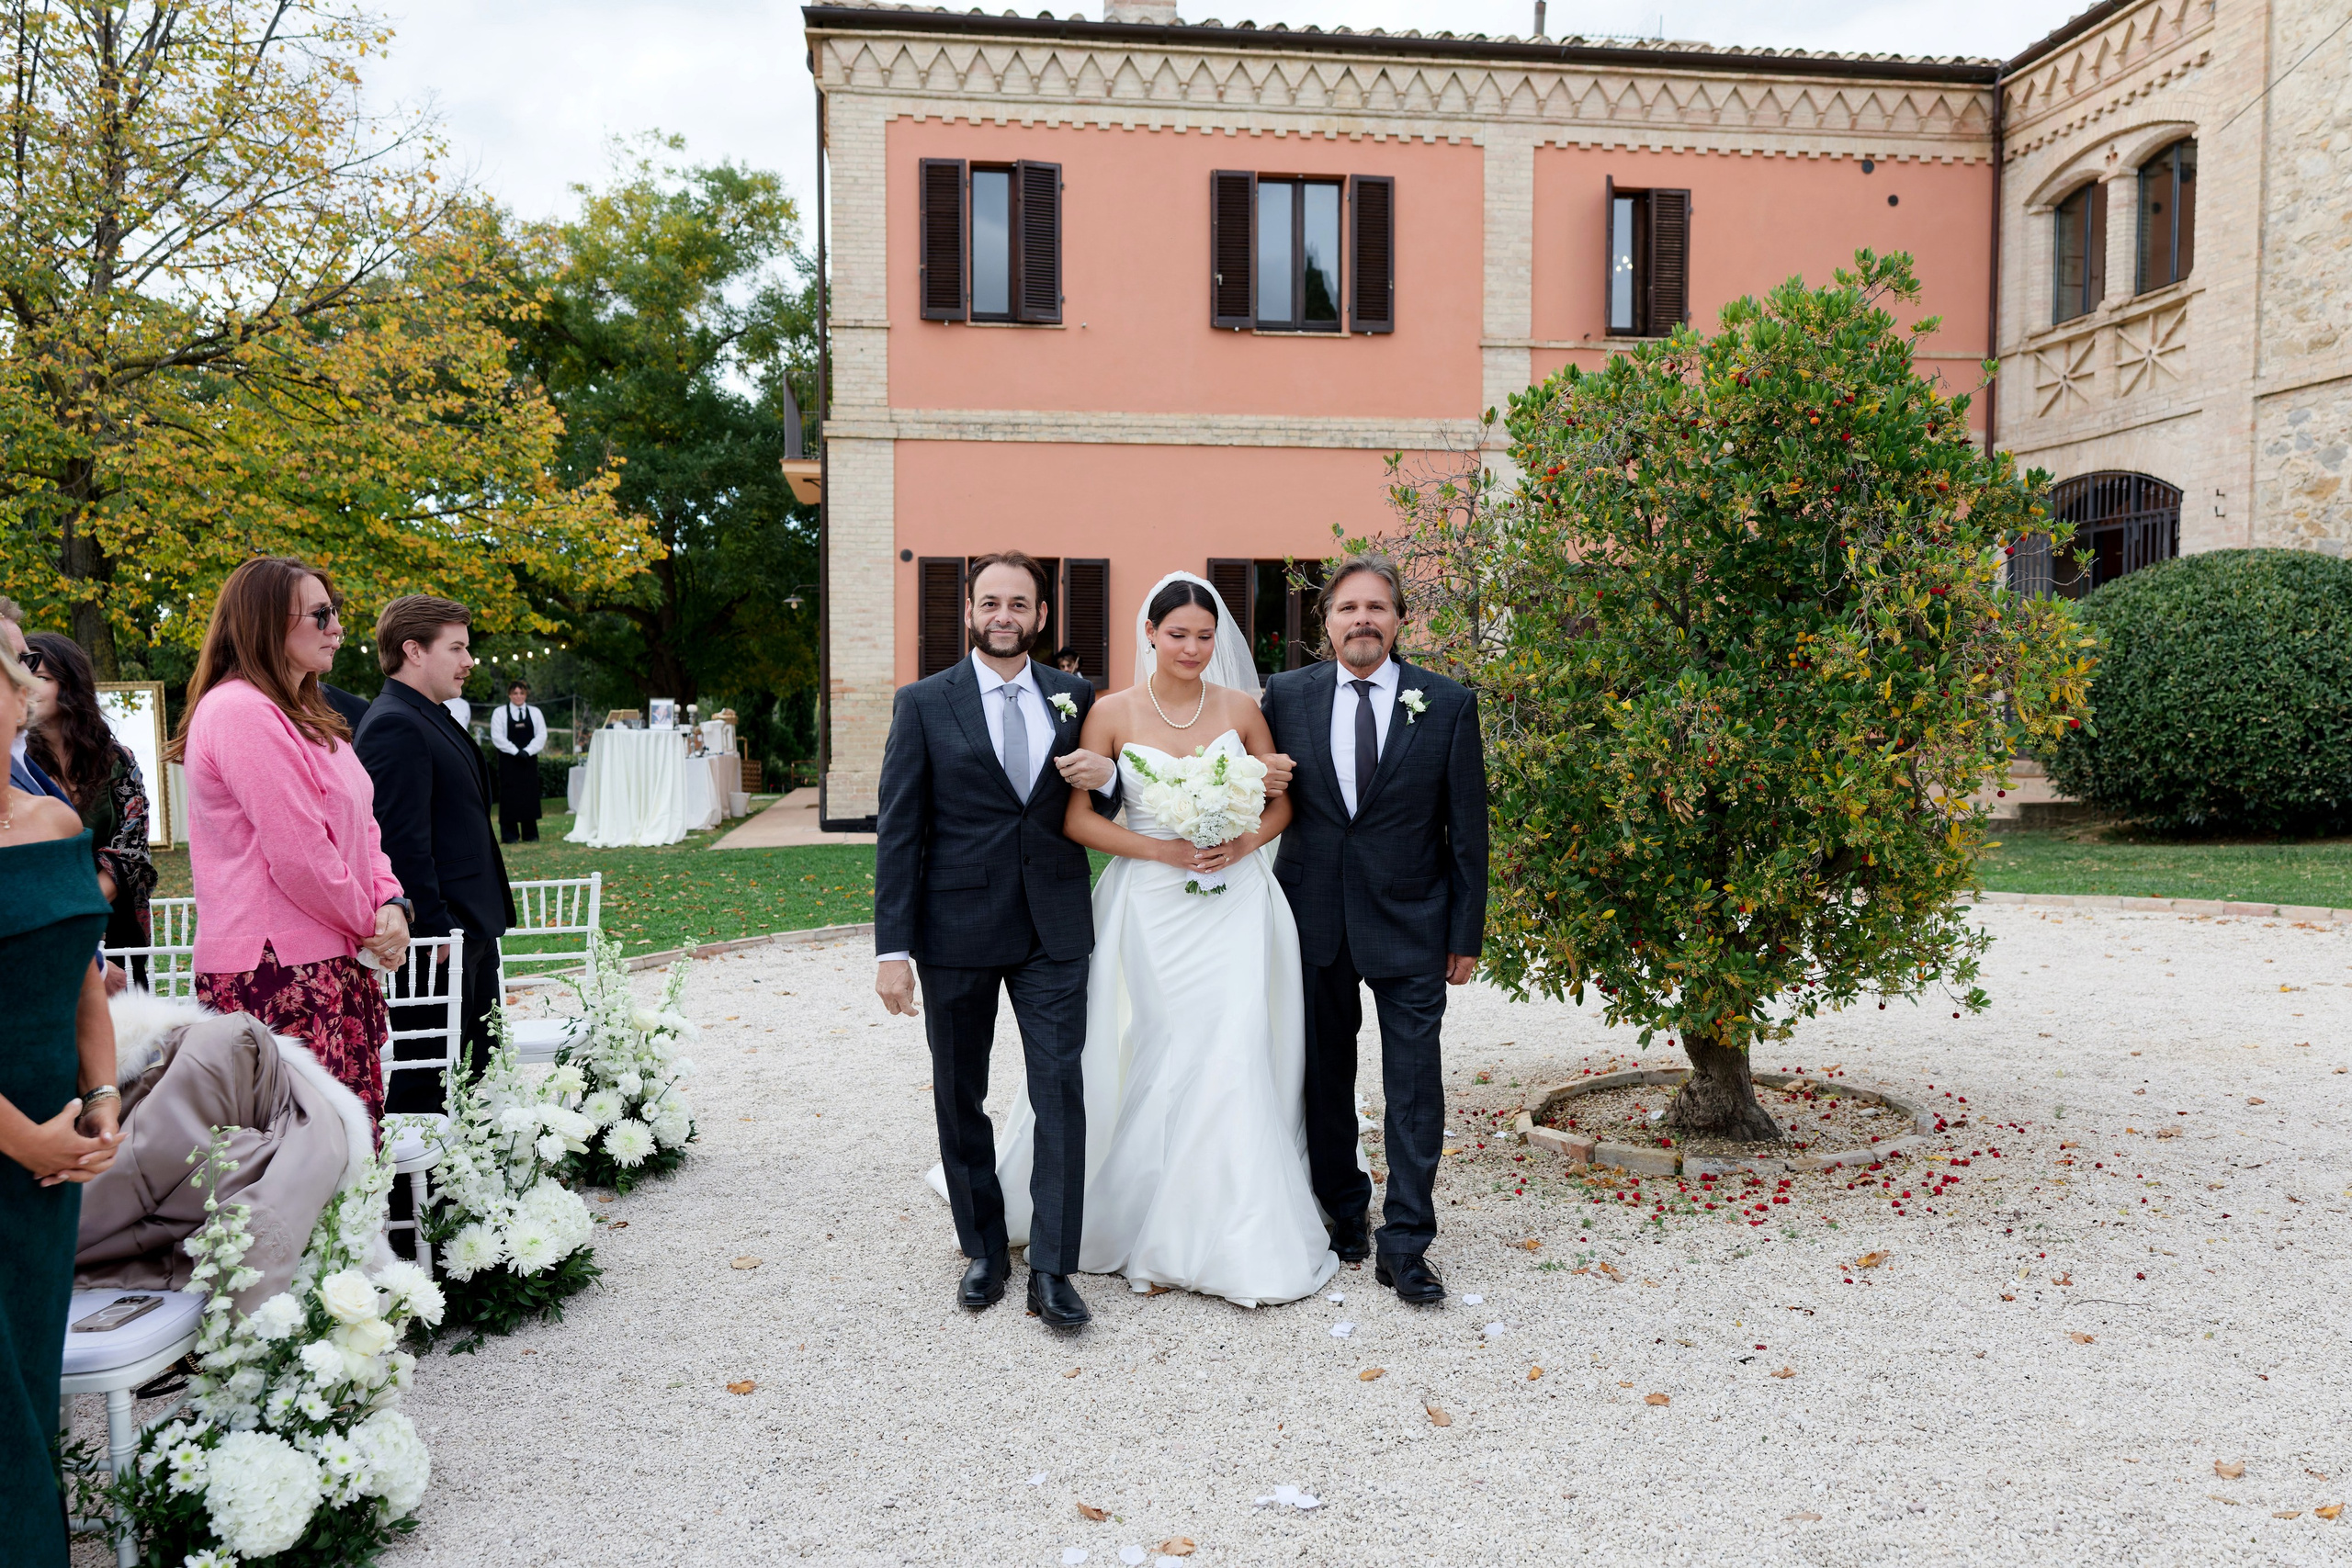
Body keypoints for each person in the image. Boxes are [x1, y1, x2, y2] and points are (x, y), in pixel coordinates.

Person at [1019, 571, 1335, 1307]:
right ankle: (1147, 1212)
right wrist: (1161, 849)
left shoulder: (1242, 708)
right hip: (1154, 902)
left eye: (1204, 635)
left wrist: (1243, 841)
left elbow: (1282, 802)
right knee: (1164, 1043)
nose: (1192, 647)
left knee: (1235, 1042)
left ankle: (1237, 1227)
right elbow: (1077, 818)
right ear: (1151, 634)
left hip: (1237, 900)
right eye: (1178, 634)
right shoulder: (1110, 711)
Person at [875, 552, 1117, 1329]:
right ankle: (982, 1246)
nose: (1003, 615)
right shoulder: (922, 703)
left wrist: (1109, 776)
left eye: (1018, 603)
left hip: (1053, 926)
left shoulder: (1077, 696)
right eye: (990, 602)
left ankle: (1052, 1265)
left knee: (1060, 1093)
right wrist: (892, 951)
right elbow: (899, 831)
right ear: (970, 611)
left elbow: (1104, 798)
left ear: (1041, 615)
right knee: (960, 1093)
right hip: (955, 929)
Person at [1261, 556, 1488, 1305]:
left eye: (1377, 607)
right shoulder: (1285, 696)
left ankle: (1407, 1242)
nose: (1362, 618)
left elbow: (1468, 831)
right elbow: (1257, 791)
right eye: (1347, 607)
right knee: (1323, 1077)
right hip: (1312, 918)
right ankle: (1344, 1212)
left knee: (1414, 1083)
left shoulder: (1447, 702)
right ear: (1326, 621)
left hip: (1413, 921)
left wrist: (1465, 932)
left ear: (1398, 619)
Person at [175, 557, 411, 1128]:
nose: (337, 628)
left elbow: (362, 823)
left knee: (346, 1148)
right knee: (297, 1156)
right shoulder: (239, 710)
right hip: (275, 969)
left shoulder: (305, 710)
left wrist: (391, 903)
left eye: (335, 612)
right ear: (265, 623)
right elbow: (300, 855)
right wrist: (373, 926)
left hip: (329, 957)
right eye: (320, 615)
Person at [0, 637, 121, 1568]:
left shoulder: (51, 820)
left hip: (50, 1164)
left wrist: (103, 1097)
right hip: (22, 1144)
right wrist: (25, 1142)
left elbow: (82, 981)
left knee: (29, 1376)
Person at [356, 595, 514, 1103]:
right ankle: (419, 1160)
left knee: (476, 1061)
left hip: (471, 924)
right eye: (457, 648)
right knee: (430, 1074)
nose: (469, 661)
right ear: (414, 650)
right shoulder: (393, 723)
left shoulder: (429, 714)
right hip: (441, 936)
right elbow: (398, 841)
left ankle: (471, 1153)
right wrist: (433, 928)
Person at [23, 631, 159, 970]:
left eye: (41, 678)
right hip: (38, 927)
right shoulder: (15, 765)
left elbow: (131, 852)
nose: (27, 686)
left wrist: (80, 917)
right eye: (20, 676)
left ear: (71, 684)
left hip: (113, 924)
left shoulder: (117, 760)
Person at [490, 679, 548, 843]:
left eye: (521, 693)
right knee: (509, 797)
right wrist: (515, 751)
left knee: (529, 795)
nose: (518, 696)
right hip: (508, 761)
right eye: (515, 693)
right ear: (509, 694)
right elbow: (497, 736)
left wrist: (527, 751)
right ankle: (509, 835)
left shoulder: (535, 712)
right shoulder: (500, 713)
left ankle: (530, 834)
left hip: (529, 761)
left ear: (526, 694)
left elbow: (542, 735)